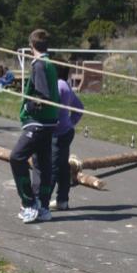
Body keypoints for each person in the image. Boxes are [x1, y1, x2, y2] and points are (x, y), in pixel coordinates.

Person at [10, 29, 60, 224]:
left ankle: (29, 202)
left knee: (17, 157)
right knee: (41, 164)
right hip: (49, 122)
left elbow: (43, 95)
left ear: (31, 47)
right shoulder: (50, 64)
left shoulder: (39, 64)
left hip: (38, 122)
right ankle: (43, 206)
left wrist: (28, 106)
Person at [45, 65, 84, 211]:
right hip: (65, 131)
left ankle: (42, 201)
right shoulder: (65, 85)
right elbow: (79, 107)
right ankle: (62, 200)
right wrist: (70, 123)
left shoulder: (58, 86)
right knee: (62, 167)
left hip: (58, 133)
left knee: (52, 167)